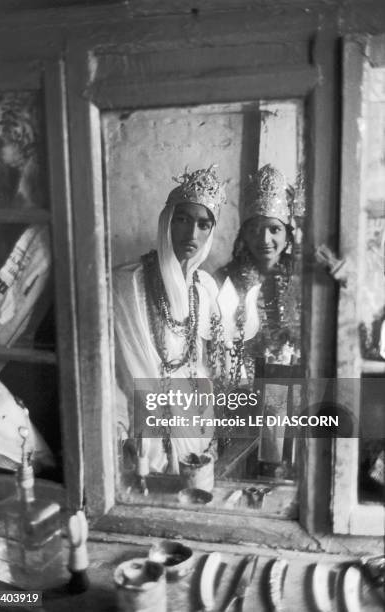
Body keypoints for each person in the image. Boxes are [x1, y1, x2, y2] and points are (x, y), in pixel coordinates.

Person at [113, 166, 226, 475]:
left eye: (203, 225)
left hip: (192, 423)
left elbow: (197, 364)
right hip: (138, 417)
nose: (192, 234)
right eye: (182, 220)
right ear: (166, 222)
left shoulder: (204, 289)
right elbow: (115, 367)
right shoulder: (127, 283)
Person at [216, 163, 301, 385]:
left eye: (274, 229)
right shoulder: (223, 281)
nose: (264, 240)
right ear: (244, 234)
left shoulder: (304, 280)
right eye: (255, 229)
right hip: (241, 390)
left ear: (287, 235)